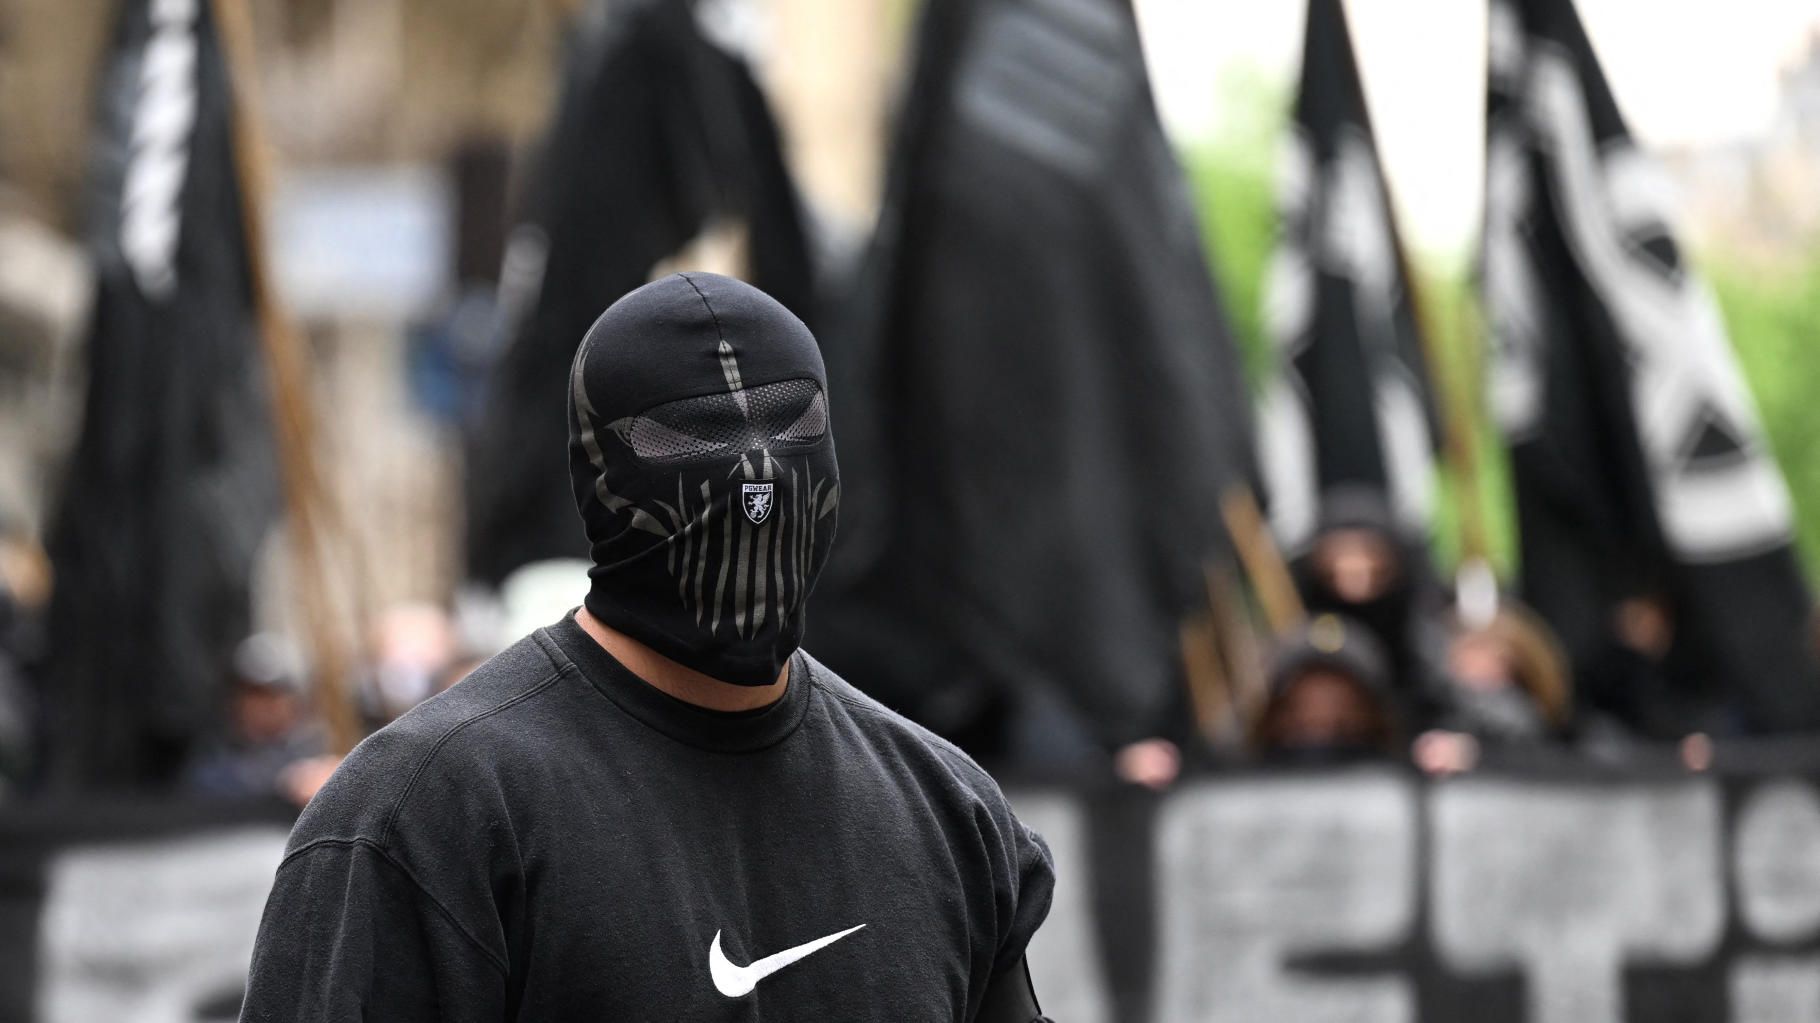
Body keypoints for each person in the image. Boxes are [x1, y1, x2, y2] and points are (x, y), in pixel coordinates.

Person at [240, 273, 1055, 1021]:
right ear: (598, 473)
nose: (757, 475)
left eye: (788, 421)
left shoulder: (949, 816)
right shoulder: (427, 816)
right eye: (694, 435)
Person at [1251, 613, 1399, 764]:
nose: (1321, 735)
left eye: (1342, 724)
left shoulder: (1401, 783)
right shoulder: (1240, 783)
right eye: (1302, 724)